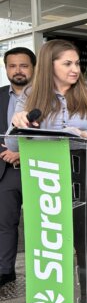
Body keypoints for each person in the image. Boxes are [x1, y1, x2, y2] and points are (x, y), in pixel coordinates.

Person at [10, 39, 87, 303]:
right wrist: (17, 123)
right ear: (50, 65)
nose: (75, 69)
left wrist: (83, 134)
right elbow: (12, 145)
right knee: (51, 246)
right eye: (68, 63)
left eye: (77, 63)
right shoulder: (30, 95)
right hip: (45, 173)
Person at [0, 47, 35, 287]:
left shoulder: (46, 96)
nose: (18, 70)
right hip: (6, 171)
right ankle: (5, 271)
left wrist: (23, 153)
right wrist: (5, 152)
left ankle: (41, 273)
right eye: (12, 66)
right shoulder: (1, 95)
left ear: (33, 68)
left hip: (37, 168)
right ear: (6, 69)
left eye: (23, 65)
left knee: (40, 225)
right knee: (5, 223)